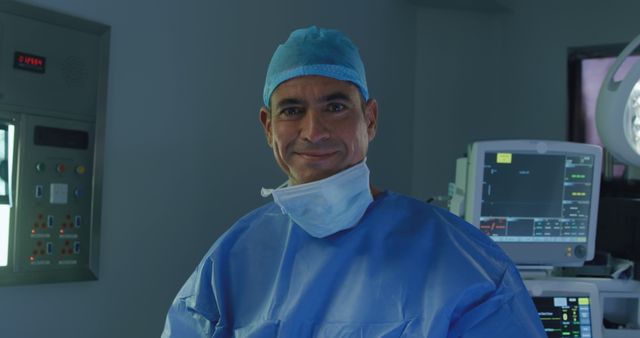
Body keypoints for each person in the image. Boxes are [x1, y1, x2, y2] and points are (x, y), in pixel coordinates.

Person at [161, 26, 546, 337]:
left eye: (336, 106)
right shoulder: (230, 262)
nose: (314, 131)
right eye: (292, 110)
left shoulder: (467, 266)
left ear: (371, 119)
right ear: (268, 127)